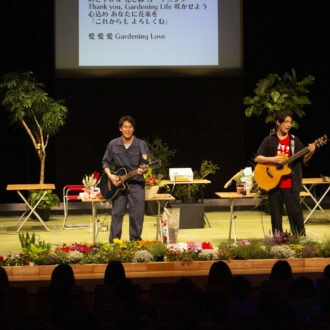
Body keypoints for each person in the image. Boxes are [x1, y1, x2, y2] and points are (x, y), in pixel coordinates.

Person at [254, 110, 315, 236]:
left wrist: (311, 152)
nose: (288, 125)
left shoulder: (294, 140)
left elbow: (303, 160)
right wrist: (273, 159)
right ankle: (278, 242)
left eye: (290, 122)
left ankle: (300, 240)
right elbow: (258, 158)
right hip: (274, 184)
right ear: (278, 122)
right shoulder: (269, 140)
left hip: (291, 184)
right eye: (286, 122)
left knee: (295, 213)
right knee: (276, 217)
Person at [102, 115, 150, 242]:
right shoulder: (113, 144)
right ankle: (114, 243)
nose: (127, 129)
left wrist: (142, 169)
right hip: (118, 187)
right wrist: (110, 176)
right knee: (116, 214)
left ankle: (135, 242)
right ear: (120, 129)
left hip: (136, 185)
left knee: (137, 215)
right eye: (125, 127)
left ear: (133, 129)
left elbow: (145, 163)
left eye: (130, 127)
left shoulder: (141, 144)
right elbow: (105, 162)